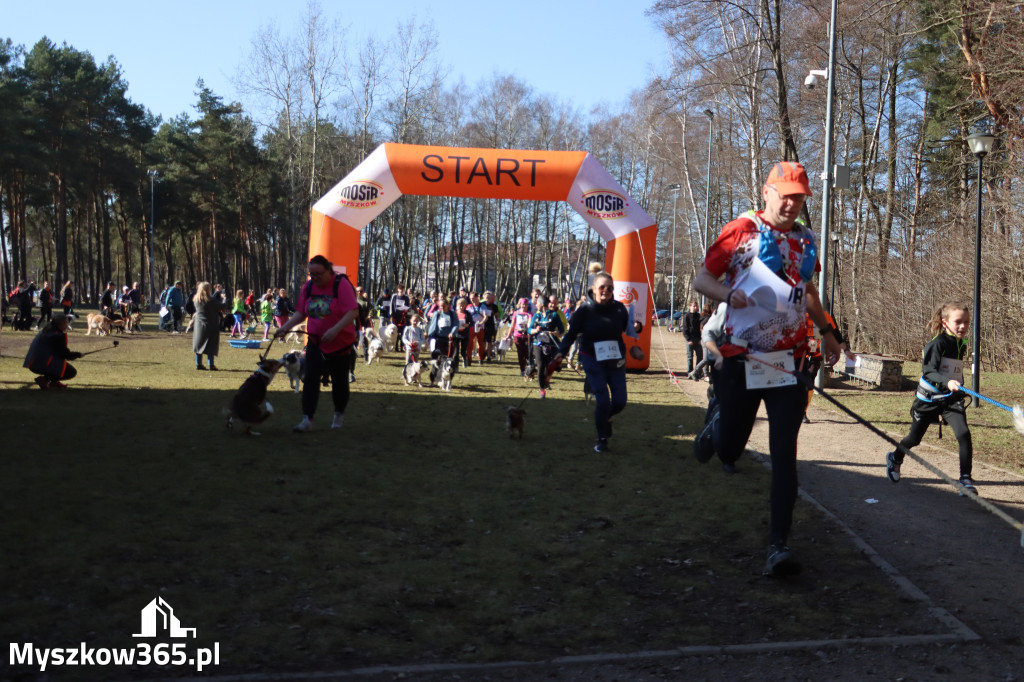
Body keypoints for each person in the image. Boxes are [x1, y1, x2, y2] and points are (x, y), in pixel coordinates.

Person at [692, 161, 841, 578]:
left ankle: (778, 545)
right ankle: (716, 429)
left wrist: (829, 333)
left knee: (785, 456)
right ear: (767, 192)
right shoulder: (740, 232)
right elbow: (702, 279)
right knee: (731, 449)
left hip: (786, 363)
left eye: (799, 196)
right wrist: (728, 294)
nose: (792, 203)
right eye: (786, 194)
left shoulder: (806, 239)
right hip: (741, 359)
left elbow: (806, 293)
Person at [886, 302, 977, 494]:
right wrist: (947, 382)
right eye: (958, 322)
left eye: (966, 322)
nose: (963, 326)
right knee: (914, 439)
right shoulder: (937, 344)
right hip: (929, 399)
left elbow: (954, 369)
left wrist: (956, 385)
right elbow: (928, 372)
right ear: (945, 323)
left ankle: (965, 480)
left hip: (951, 398)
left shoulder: (961, 344)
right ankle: (895, 458)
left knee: (964, 434)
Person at [548, 267, 640, 452]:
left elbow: (629, 328)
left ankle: (604, 418)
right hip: (591, 358)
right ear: (593, 288)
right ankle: (602, 439)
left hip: (615, 359)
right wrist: (561, 352)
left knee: (620, 401)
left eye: (610, 288)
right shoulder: (584, 311)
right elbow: (570, 335)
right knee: (603, 399)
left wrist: (638, 327)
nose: (606, 291)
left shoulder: (619, 308)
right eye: (602, 287)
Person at [275, 255, 359, 432]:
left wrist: (335, 330)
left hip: (340, 343)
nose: (315, 278)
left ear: (329, 270)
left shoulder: (340, 284)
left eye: (319, 274)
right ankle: (307, 419)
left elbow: (352, 312)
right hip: (315, 341)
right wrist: (286, 327)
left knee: (339, 381)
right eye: (311, 274)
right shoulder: (309, 287)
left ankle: (338, 414)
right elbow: (300, 313)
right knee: (310, 378)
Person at [24, 312, 82, 389]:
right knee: (70, 372)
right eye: (67, 322)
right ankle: (45, 380)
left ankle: (54, 382)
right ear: (62, 324)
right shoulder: (56, 335)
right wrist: (78, 355)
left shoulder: (46, 330)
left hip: (32, 362)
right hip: (40, 363)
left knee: (60, 364)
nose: (68, 324)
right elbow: (64, 354)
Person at [529, 295, 566, 397]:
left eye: (537, 303)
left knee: (549, 366)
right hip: (538, 344)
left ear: (542, 304)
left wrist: (555, 333)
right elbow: (529, 329)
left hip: (551, 344)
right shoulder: (536, 316)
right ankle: (542, 390)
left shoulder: (554, 315)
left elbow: (562, 329)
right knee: (541, 366)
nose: (536, 304)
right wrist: (535, 330)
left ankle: (546, 382)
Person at [191, 282, 221, 370]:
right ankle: (211, 364)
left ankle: (198, 363)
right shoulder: (211, 300)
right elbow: (221, 306)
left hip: (199, 324)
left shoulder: (196, 300)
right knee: (211, 344)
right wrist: (225, 299)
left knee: (199, 344)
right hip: (211, 324)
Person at [504, 298, 534, 376]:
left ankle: (529, 368)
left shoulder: (529, 314)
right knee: (520, 353)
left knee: (527, 353)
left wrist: (526, 329)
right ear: (520, 304)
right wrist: (508, 335)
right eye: (523, 304)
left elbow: (530, 324)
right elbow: (513, 324)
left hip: (527, 336)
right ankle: (522, 370)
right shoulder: (516, 313)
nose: (524, 306)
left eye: (526, 304)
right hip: (517, 335)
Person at [682, 301, 703, 374]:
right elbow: (685, 329)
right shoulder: (686, 316)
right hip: (690, 339)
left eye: (696, 306)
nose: (695, 307)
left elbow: (701, 328)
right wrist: (688, 339)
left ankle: (697, 372)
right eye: (693, 306)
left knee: (700, 356)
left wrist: (701, 339)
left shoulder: (699, 316)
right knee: (690, 357)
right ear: (690, 306)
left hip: (698, 339)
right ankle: (690, 372)